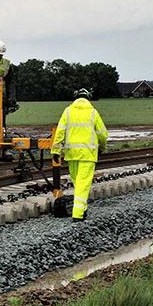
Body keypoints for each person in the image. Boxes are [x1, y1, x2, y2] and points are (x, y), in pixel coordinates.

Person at [51, 88, 108, 222]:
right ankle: (78, 214)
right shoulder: (93, 113)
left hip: (72, 155)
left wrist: (55, 151)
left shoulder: (68, 111)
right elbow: (103, 134)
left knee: (78, 183)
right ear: (88, 98)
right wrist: (102, 148)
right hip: (87, 155)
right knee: (83, 184)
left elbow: (60, 132)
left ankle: (83, 208)